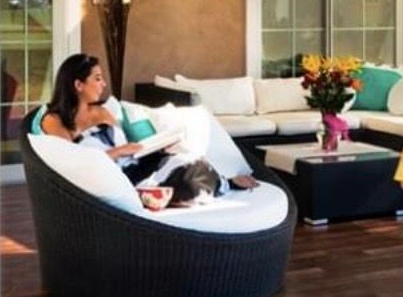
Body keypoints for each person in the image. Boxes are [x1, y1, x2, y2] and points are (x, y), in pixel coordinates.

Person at [37, 53, 257, 194]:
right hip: (115, 179)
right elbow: (73, 164)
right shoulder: (54, 121)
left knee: (188, 158)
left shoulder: (103, 111)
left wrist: (153, 147)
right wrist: (119, 151)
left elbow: (128, 148)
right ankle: (221, 185)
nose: (103, 84)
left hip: (135, 164)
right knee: (189, 180)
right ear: (78, 84)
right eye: (97, 78)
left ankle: (222, 182)